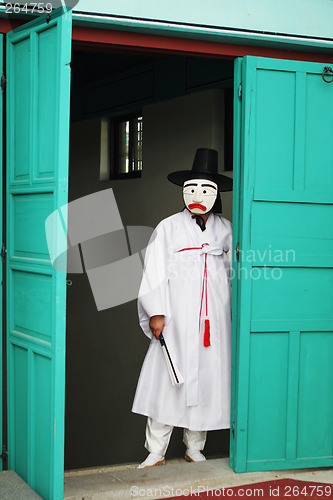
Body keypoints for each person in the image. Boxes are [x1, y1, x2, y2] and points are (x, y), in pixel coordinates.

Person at [132, 148, 233, 468]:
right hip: (176, 319)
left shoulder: (226, 229)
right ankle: (156, 450)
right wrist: (157, 312)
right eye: (193, 188)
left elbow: (235, 273)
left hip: (213, 321)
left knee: (206, 380)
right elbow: (154, 271)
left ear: (215, 194)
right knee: (167, 381)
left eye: (205, 189)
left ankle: (194, 447)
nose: (198, 195)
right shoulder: (168, 228)